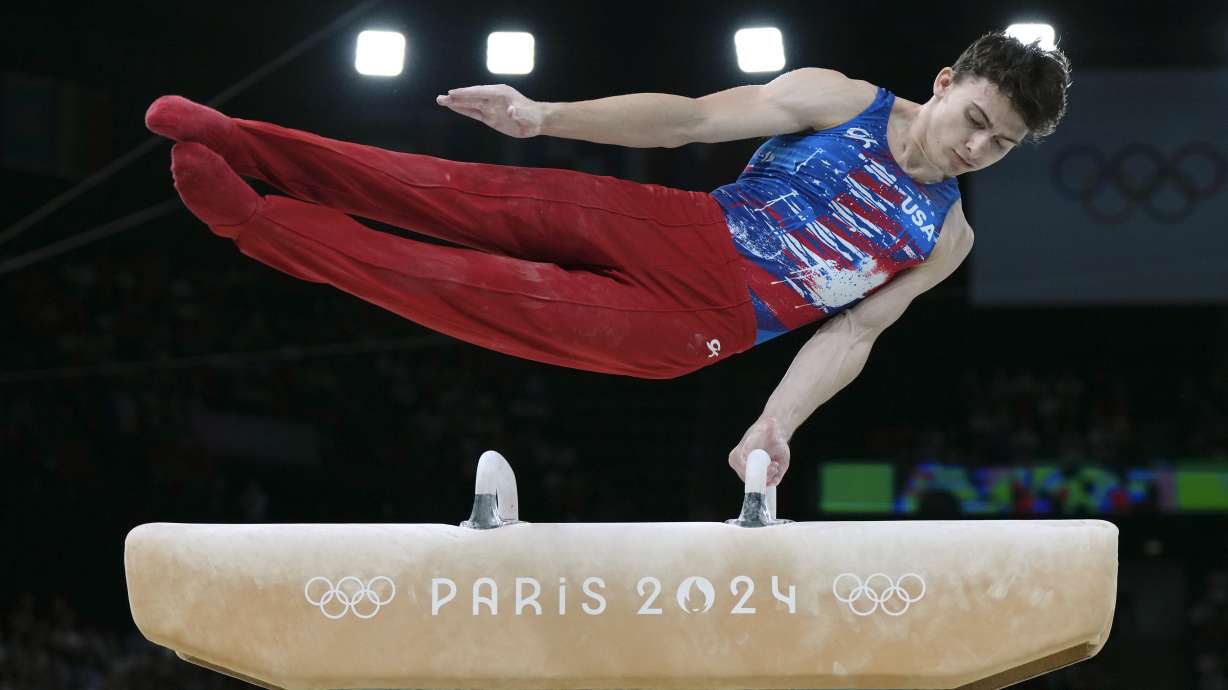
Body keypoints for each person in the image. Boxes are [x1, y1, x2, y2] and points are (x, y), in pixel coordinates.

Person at [146, 30, 1070, 488]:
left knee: (455, 285)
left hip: (701, 327)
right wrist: (544, 117)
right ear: (947, 84)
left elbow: (856, 333)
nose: (976, 149)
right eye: (976, 121)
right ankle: (244, 140)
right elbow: (691, 118)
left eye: (1000, 146)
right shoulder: (842, 100)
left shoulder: (944, 240)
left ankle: (254, 220)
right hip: (678, 224)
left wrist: (773, 424)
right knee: (451, 192)